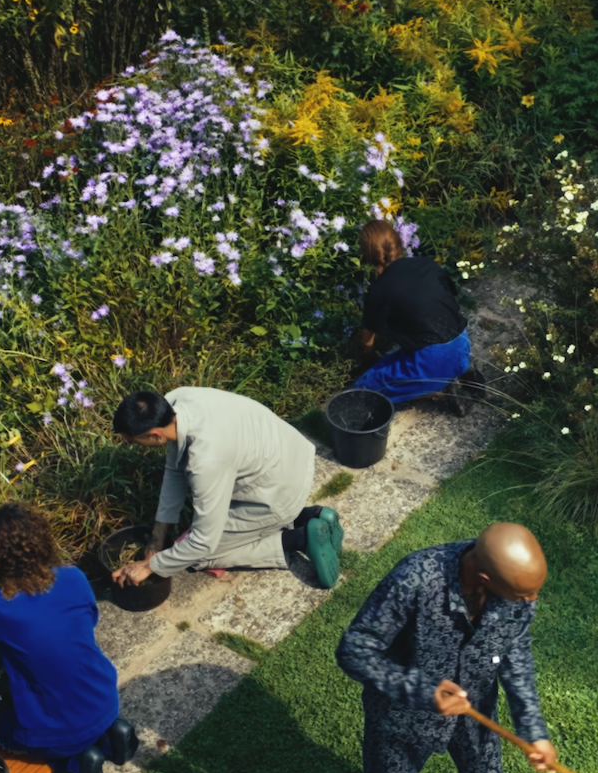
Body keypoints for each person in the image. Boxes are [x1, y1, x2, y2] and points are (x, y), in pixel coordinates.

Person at [335, 522, 556, 773]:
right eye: (524, 594)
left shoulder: (518, 596)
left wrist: (533, 730)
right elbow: (354, 649)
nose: (532, 601)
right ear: (485, 577)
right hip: (400, 716)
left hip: (475, 717)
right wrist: (422, 691)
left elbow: (517, 657)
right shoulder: (414, 578)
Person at [0, 502, 138, 773]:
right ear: (42, 542)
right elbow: (89, 618)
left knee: (1, 729)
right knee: (79, 712)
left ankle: (77, 762)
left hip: (59, 730)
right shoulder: (74, 576)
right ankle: (112, 735)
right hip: (106, 698)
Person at [111, 387, 345, 589]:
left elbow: (203, 541)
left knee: (194, 554)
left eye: (133, 442)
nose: (133, 446)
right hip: (290, 455)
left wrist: (151, 566)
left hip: (277, 492)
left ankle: (299, 538)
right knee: (192, 541)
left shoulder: (206, 461)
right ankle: (309, 516)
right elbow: (175, 469)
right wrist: (157, 537)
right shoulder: (177, 400)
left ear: (154, 435)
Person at [355, 219, 482, 414]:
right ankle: (462, 369)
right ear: (398, 242)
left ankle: (439, 390)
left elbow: (367, 344)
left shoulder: (379, 290)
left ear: (368, 256)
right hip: (461, 343)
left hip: (431, 359)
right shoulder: (428, 264)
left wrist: (374, 362)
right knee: (424, 347)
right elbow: (447, 301)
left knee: (363, 389)